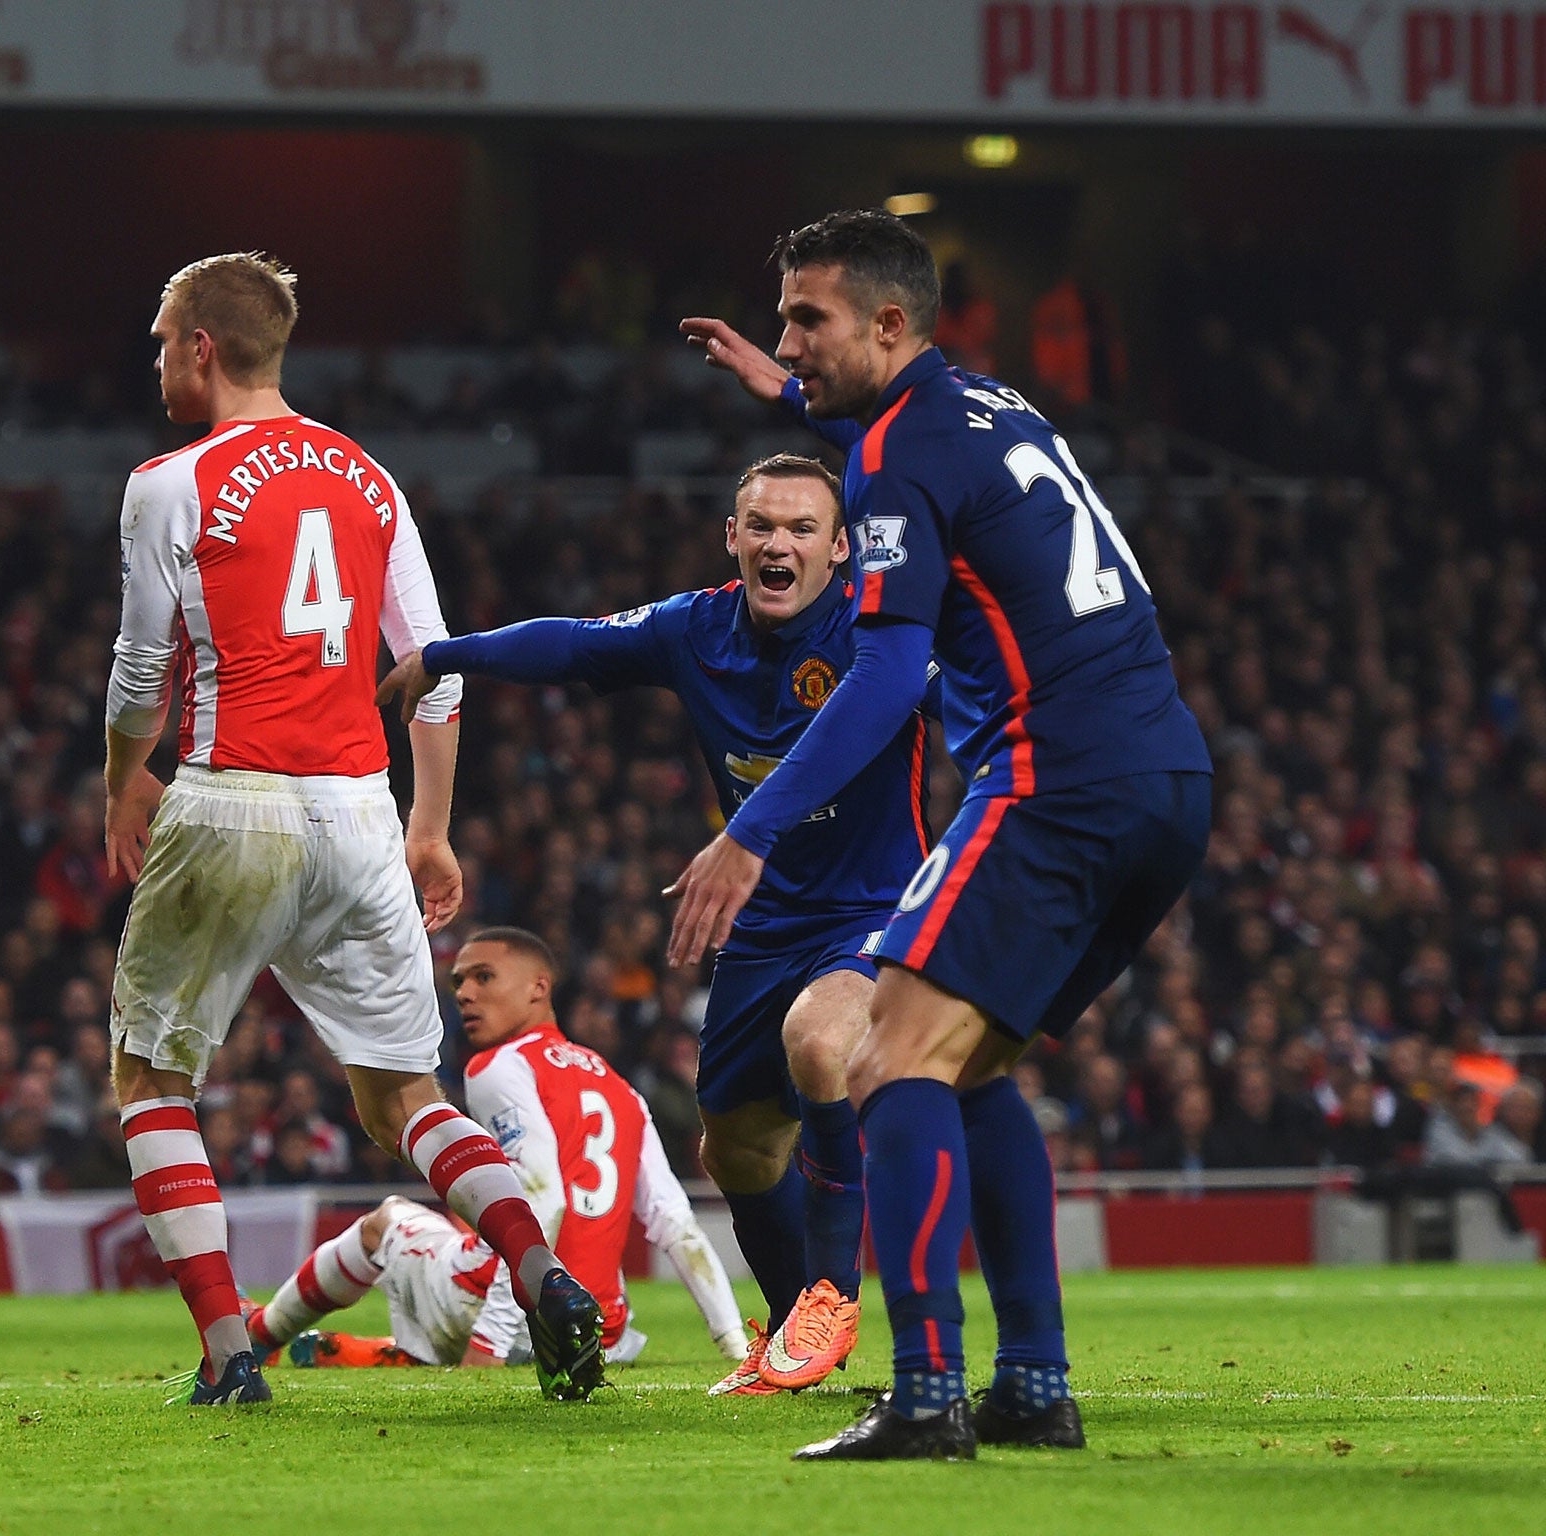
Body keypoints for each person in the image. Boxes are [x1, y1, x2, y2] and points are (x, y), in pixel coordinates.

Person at [679, 208, 1212, 1460]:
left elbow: (881, 677)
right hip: (1163, 777)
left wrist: (749, 831)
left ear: (887, 321)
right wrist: (800, 401)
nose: (783, 338)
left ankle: (924, 1392)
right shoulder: (989, 402)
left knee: (887, 1064)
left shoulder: (892, 453)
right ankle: (1030, 1381)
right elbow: (913, 453)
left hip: (1051, 777)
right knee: (966, 1066)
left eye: (805, 320)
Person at [101, 253, 604, 1408]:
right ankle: (541, 1276)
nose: (155, 358)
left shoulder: (167, 481)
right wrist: (429, 827)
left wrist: (125, 778)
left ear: (199, 348)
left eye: (159, 338)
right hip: (359, 813)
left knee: (151, 1078)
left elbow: (141, 664)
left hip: (232, 795)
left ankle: (231, 1354)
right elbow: (432, 668)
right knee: (407, 1098)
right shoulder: (369, 478)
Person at [380, 454, 934, 1394]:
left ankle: (835, 1294)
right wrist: (446, 653)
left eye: (803, 529)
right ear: (733, 536)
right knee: (735, 1146)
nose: (778, 543)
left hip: (875, 909)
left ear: (841, 549)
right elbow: (572, 643)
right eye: (761, 524)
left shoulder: (877, 635)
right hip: (766, 925)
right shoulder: (695, 629)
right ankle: (799, 1332)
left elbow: (875, 723)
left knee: (819, 1043)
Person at [246, 928, 745, 1372]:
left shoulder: (499, 1065)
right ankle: (382, 1350)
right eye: (459, 982)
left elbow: (541, 1197)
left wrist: (491, 1339)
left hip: (510, 1310)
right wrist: (735, 1346)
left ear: (538, 988)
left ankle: (262, 1332)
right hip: (598, 1334)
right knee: (476, 1233)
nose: (465, 993)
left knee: (389, 1220)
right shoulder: (622, 1089)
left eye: (484, 978)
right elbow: (676, 1223)